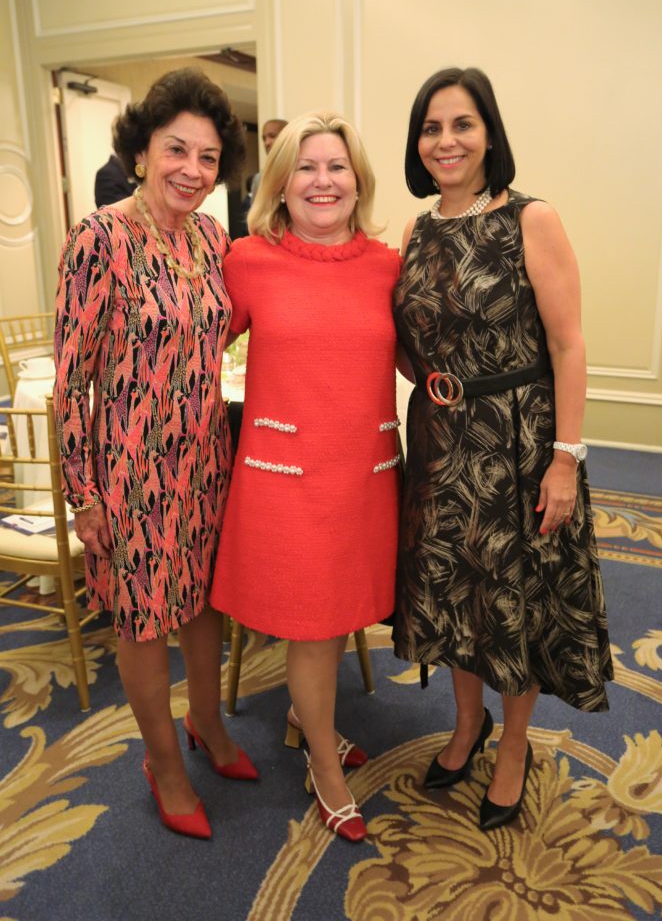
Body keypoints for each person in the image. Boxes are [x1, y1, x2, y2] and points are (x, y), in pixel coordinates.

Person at [392, 67, 613, 831]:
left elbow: (568, 343)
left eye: (460, 125)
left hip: (516, 441)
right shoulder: (415, 230)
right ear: (416, 144)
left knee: (512, 599)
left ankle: (512, 742)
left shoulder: (530, 216)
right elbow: (410, 341)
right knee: (454, 596)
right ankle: (465, 725)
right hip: (439, 441)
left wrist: (565, 458)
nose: (445, 141)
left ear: (489, 133)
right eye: (430, 128)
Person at [54, 68, 258, 841]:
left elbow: (221, 330)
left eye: (208, 158)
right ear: (142, 150)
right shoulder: (98, 236)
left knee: (203, 601)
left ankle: (207, 719)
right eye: (177, 150)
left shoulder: (212, 236)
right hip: (128, 470)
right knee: (142, 619)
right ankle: (164, 761)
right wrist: (85, 493)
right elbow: (72, 380)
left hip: (204, 456)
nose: (193, 171)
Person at [210, 112, 400, 842]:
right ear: (280, 183)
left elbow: (421, 353)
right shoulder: (247, 260)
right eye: (307, 167)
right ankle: (324, 760)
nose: (323, 181)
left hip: (363, 473)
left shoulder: (387, 264)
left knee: (341, 612)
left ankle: (302, 713)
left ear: (358, 182)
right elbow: (190, 348)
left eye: (337, 167)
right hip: (286, 482)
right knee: (314, 625)